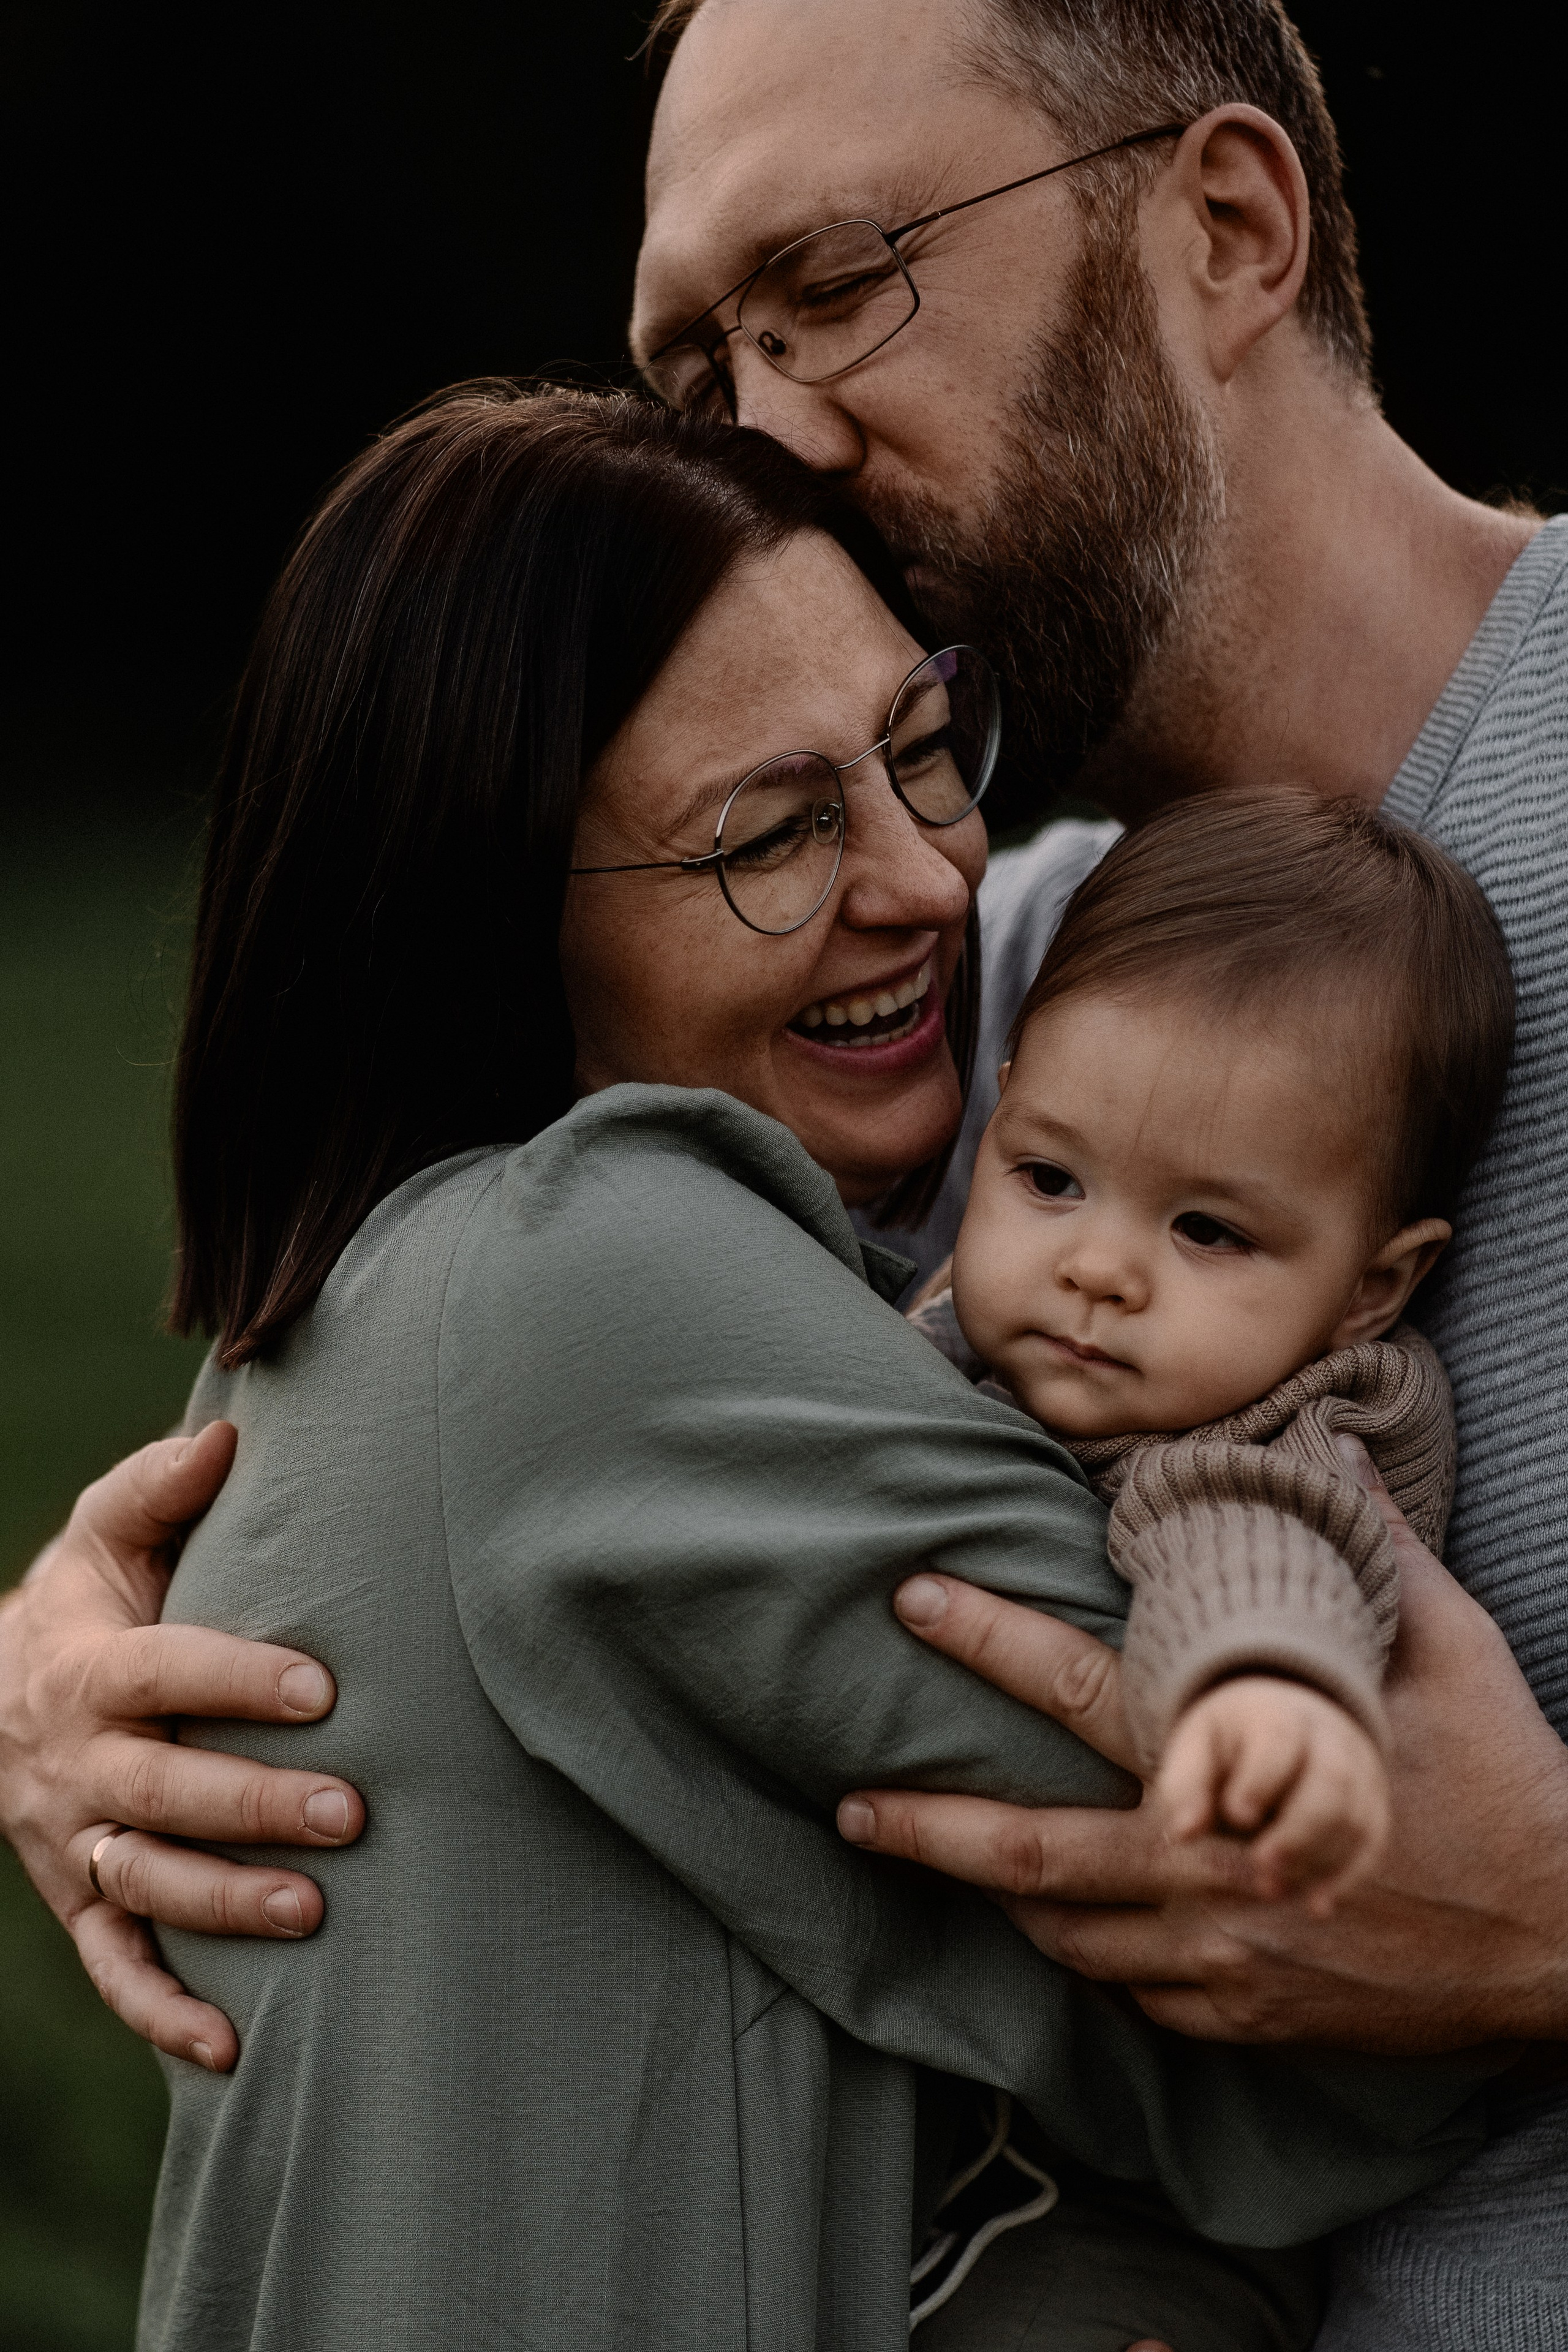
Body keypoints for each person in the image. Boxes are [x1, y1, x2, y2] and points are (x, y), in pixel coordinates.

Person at [3, 0, 1567, 2342]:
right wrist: (98, 1650)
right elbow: (521, 1412)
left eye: (831, 287)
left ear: (1228, 229)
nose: (764, 439)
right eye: (692, 366)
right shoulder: (976, 996)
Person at [910, 791, 1512, 1910]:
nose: (1098, 1269)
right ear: (1000, 1117)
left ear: (1369, 1289)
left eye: (1208, 1231)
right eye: (1049, 1178)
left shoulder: (1290, 1427)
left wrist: (1263, 1696)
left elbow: (1259, 1557)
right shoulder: (980, 1310)